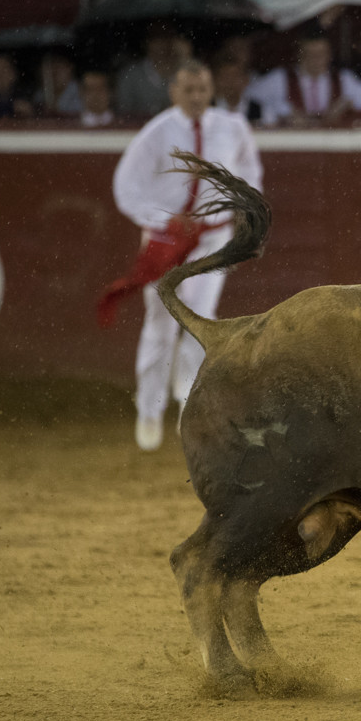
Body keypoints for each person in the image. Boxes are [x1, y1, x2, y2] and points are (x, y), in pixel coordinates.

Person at [105, 59, 263, 451]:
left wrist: (242, 215)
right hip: (166, 240)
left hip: (212, 239)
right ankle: (149, 409)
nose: (195, 97)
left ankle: (188, 409)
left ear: (211, 91)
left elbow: (250, 176)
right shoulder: (156, 133)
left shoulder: (233, 128)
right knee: (160, 323)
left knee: (200, 322)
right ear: (174, 92)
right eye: (188, 90)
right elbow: (126, 186)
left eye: (202, 90)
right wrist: (161, 218)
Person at [247, 30, 361, 125]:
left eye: (321, 54)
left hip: (332, 148)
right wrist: (282, 110)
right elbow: (246, 97)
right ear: (299, 55)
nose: (316, 59)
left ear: (329, 56)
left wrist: (349, 102)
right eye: (310, 54)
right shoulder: (281, 78)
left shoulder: (343, 79)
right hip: (292, 148)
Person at [114, 21, 192, 118]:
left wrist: (186, 58)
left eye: (168, 37)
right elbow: (123, 113)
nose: (164, 43)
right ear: (147, 43)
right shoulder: (130, 75)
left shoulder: (186, 71)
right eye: (158, 38)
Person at [212, 57, 272, 126]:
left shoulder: (259, 109)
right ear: (217, 80)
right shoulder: (210, 107)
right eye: (226, 77)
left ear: (246, 80)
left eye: (234, 76)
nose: (230, 82)